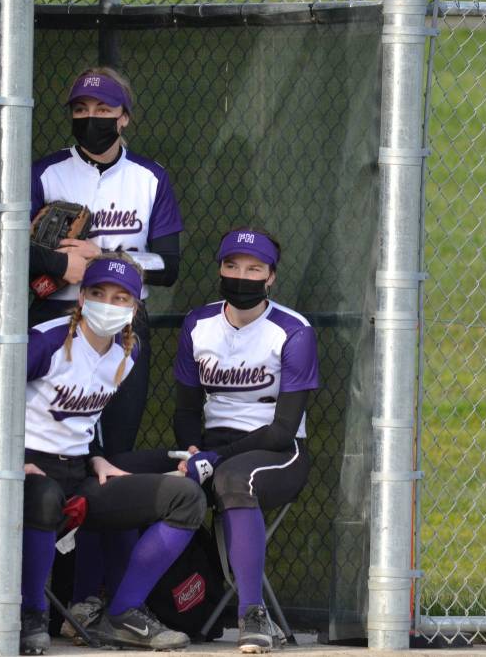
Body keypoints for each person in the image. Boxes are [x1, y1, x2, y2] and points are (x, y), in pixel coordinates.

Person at [18, 254, 204, 654]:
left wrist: (96, 455)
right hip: (27, 469)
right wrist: (10, 459)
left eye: (121, 298)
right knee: (44, 494)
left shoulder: (127, 352)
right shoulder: (45, 340)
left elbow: (85, 416)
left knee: (186, 498)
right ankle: (29, 614)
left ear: (135, 308)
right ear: (81, 297)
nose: (108, 303)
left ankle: (121, 614)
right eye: (98, 293)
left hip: (78, 473)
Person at [173, 228, 319, 653]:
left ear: (271, 277)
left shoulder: (293, 331)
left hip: (276, 451)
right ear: (219, 268)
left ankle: (252, 614)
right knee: (150, 484)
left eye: (255, 268)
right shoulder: (198, 324)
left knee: (236, 479)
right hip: (214, 446)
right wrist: (194, 452)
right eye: (232, 265)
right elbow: (185, 410)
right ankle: (126, 609)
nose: (242, 275)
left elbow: (282, 430)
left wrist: (214, 459)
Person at [29, 66, 183, 456]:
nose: (90, 118)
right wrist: (62, 266)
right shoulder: (45, 173)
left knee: (116, 446)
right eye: (80, 109)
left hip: (122, 323)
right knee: (54, 444)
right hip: (54, 316)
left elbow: (168, 265)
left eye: (103, 108)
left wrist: (103, 258)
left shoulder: (150, 178)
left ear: (124, 116)